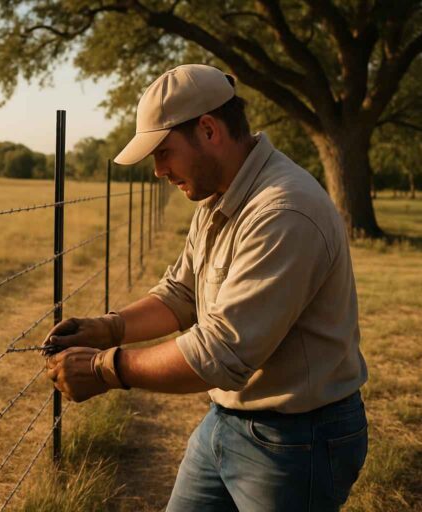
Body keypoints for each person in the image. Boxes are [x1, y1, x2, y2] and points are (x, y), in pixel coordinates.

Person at [43, 64, 368, 511]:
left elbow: (221, 354)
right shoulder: (220, 196)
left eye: (163, 152)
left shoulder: (283, 211)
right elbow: (181, 294)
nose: (158, 170)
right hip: (227, 420)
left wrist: (105, 368)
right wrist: (105, 329)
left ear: (209, 130)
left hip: (298, 441)